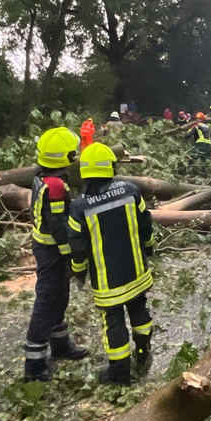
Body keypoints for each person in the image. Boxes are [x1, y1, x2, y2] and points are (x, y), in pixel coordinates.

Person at [68, 143, 156, 385]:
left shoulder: (79, 206)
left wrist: (77, 272)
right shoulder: (130, 190)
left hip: (109, 282)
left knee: (114, 322)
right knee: (140, 311)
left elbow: (77, 246)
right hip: (137, 271)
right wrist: (148, 247)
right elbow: (145, 223)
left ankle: (119, 373)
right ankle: (142, 353)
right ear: (111, 167)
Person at [24, 127, 90, 382]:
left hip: (48, 247)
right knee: (48, 299)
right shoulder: (53, 186)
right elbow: (59, 227)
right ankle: (35, 363)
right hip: (52, 249)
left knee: (60, 296)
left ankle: (60, 345)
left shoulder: (43, 176)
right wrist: (72, 255)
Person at [186, 111, 211, 176]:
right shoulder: (209, 128)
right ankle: (204, 175)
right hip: (208, 146)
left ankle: (187, 172)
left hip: (200, 145)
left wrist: (183, 138)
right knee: (204, 161)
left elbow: (188, 134)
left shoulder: (196, 126)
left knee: (192, 157)